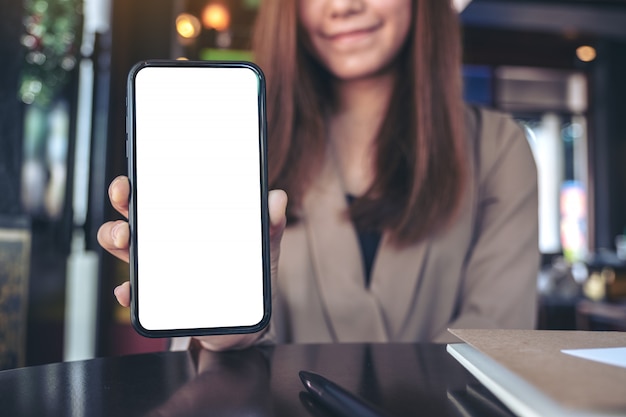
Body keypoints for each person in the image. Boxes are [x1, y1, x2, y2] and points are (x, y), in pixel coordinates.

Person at [98, 0, 539, 351]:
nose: (342, 5)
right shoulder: (238, 141)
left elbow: (497, 342)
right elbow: (211, 370)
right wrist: (225, 338)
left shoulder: (497, 147)